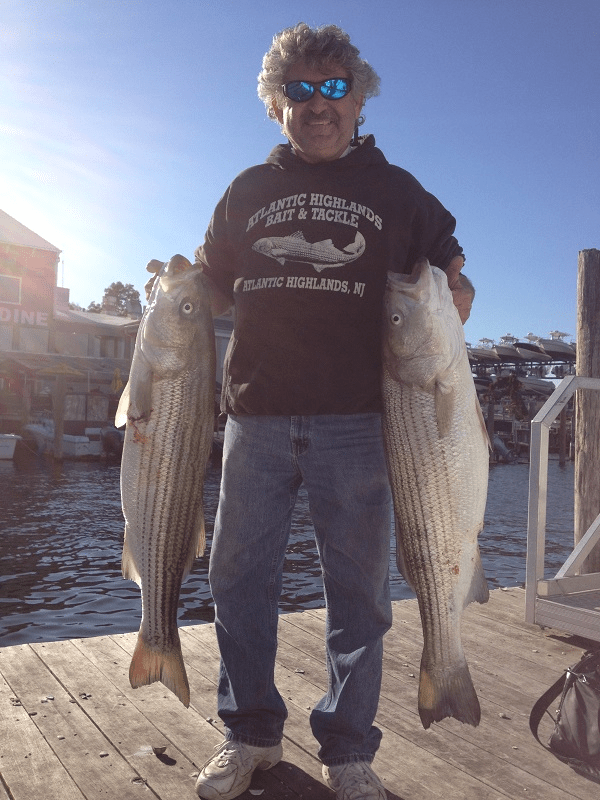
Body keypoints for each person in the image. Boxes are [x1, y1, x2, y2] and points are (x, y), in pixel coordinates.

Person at [158, 22, 472, 800]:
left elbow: (452, 269)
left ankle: (348, 748)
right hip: (256, 416)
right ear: (276, 105)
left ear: (360, 100)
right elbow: (215, 287)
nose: (318, 103)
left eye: (334, 88)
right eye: (299, 89)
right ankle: (251, 735)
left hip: (362, 421)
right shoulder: (246, 192)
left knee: (359, 592)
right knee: (237, 581)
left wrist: (455, 298)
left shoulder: (396, 190)